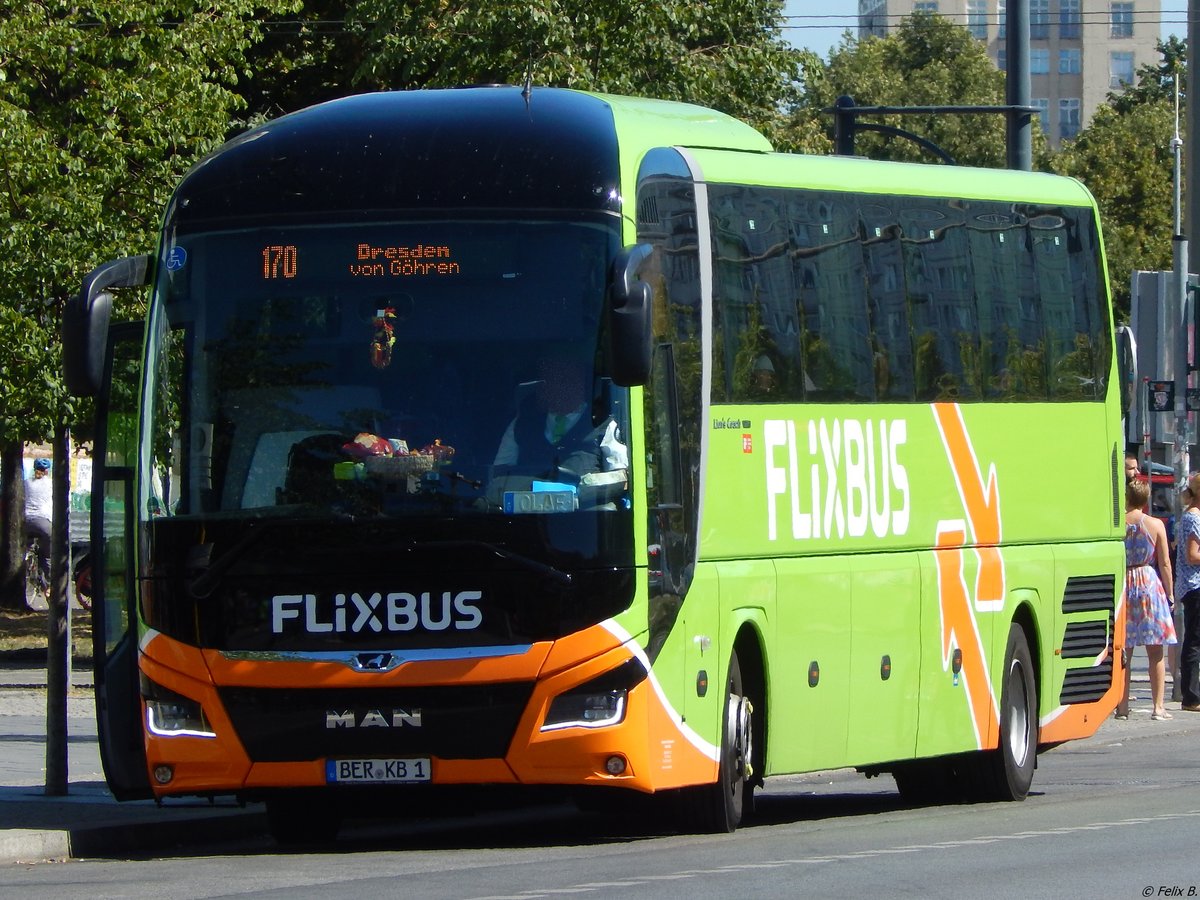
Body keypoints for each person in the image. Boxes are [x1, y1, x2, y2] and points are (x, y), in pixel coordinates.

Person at [493, 351, 627, 479]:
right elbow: (499, 474)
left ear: (581, 385)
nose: (555, 386)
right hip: (526, 501)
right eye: (548, 380)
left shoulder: (605, 424)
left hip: (588, 502)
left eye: (565, 380)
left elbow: (618, 475)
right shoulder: (522, 422)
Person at [1118, 478, 1177, 720]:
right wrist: (1170, 593)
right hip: (1148, 581)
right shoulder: (1154, 525)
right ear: (1146, 499)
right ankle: (1158, 707)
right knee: (1155, 651)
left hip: (1125, 580)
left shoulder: (1118, 524)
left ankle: (1121, 707)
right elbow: (1164, 562)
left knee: (1125, 652)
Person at [1175, 473, 1200, 712]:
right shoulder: (1194, 518)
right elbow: (1192, 555)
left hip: (1191, 584)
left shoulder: (1191, 516)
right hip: (1195, 585)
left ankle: (1193, 693)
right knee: (1194, 640)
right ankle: (1191, 696)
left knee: (1195, 639)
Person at [23, 458, 53, 585]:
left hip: (27, 521)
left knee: (25, 547)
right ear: (47, 471)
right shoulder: (51, 483)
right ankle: (48, 583)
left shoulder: (26, 483)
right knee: (47, 555)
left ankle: (25, 562)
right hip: (43, 522)